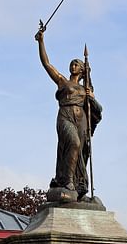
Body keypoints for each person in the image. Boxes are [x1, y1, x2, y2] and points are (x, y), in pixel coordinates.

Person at [35, 28, 102, 200]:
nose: (73, 65)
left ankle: (79, 185)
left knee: (80, 151)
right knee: (73, 143)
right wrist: (41, 42)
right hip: (65, 115)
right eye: (72, 63)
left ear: (82, 70)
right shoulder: (63, 81)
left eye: (76, 64)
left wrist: (91, 97)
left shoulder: (86, 89)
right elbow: (47, 64)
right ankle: (67, 181)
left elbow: (96, 109)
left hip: (81, 120)